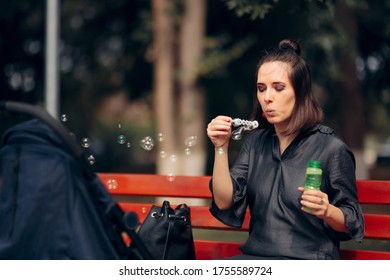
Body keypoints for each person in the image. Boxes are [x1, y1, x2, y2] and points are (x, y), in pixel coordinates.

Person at [206, 39, 364, 260]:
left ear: (300, 92)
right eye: (261, 89)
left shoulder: (331, 148)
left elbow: (351, 222)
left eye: (278, 88)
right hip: (256, 260)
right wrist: (220, 147)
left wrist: (327, 210)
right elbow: (224, 201)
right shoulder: (256, 143)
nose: (267, 97)